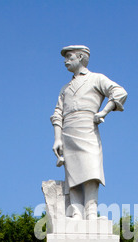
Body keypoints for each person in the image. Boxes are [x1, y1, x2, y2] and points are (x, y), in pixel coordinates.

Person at [50, 45, 127, 220]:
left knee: (91, 169)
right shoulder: (65, 88)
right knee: (72, 173)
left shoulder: (96, 78)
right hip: (68, 130)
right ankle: (76, 211)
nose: (65, 61)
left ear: (81, 57)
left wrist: (104, 111)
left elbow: (119, 92)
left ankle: (91, 212)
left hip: (88, 127)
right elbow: (57, 114)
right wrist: (57, 139)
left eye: (69, 57)